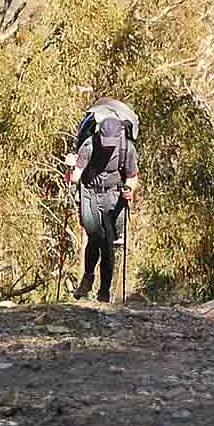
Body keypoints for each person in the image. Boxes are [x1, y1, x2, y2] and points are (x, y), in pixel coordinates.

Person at [66, 114, 138, 301]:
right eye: (104, 141)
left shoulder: (126, 148)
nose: (107, 146)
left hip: (114, 194)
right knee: (95, 236)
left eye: (110, 142)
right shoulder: (89, 146)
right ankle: (88, 277)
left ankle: (104, 290)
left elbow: (132, 176)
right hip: (90, 192)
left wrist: (129, 189)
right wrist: (71, 168)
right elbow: (75, 177)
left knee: (109, 243)